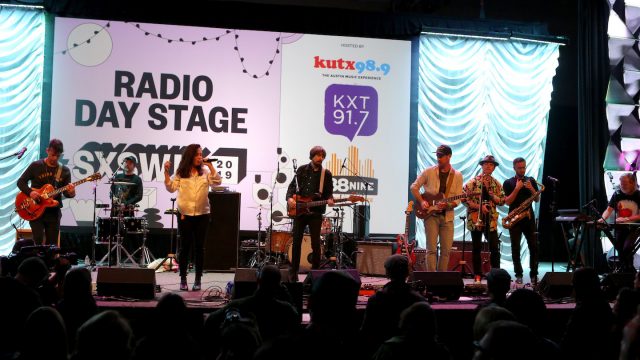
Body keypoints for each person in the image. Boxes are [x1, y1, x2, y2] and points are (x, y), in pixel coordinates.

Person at [164, 144, 221, 291]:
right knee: (185, 248)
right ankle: (183, 279)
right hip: (185, 214)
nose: (200, 157)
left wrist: (211, 166)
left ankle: (198, 279)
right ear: (190, 156)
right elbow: (171, 188)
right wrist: (166, 172)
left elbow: (217, 183)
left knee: (199, 248)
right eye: (197, 155)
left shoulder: (206, 171)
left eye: (201, 154)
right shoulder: (181, 173)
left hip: (202, 214)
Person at [360, 254, 426, 358]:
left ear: (387, 273)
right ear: (407, 273)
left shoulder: (376, 300)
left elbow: (366, 331)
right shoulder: (419, 300)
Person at [410, 144, 463, 272]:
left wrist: (448, 204)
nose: (438, 159)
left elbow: (458, 199)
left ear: (449, 156)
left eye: (441, 156)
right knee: (431, 250)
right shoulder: (428, 172)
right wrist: (422, 201)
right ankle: (431, 280)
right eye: (437, 156)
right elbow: (414, 187)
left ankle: (441, 280)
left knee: (445, 252)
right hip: (430, 216)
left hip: (447, 217)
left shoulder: (457, 175)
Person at [285, 145, 334, 281]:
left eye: (322, 156)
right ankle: (293, 272)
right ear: (312, 156)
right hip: (300, 211)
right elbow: (291, 188)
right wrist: (290, 199)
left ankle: (315, 273)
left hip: (315, 212)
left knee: (316, 244)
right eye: (318, 155)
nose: (321, 158)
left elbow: (329, 192)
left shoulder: (326, 174)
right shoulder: (301, 170)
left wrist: (330, 199)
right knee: (296, 242)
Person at [17, 138, 75, 245]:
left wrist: (71, 192)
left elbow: (67, 193)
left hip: (53, 212)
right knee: (38, 241)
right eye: (53, 155)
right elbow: (20, 182)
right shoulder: (36, 166)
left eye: (58, 156)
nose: (55, 158)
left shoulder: (64, 171)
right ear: (47, 150)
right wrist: (31, 193)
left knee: (52, 245)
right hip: (35, 209)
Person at [463, 155, 505, 282]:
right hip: (476, 219)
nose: (488, 166)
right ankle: (477, 274)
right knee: (476, 248)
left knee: (494, 247)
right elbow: (464, 199)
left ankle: (496, 274)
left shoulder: (497, 184)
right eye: (485, 164)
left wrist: (494, 197)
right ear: (481, 166)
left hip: (490, 220)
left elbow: (503, 200)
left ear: (494, 168)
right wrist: (478, 206)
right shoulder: (472, 182)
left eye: (491, 164)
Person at [503, 157, 540, 285]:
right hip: (515, 218)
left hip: (528, 218)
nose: (522, 170)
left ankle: (534, 275)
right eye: (520, 168)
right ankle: (518, 274)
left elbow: (537, 199)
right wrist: (517, 188)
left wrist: (532, 189)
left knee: (534, 247)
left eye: (524, 167)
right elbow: (507, 201)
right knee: (515, 248)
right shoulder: (508, 182)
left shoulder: (531, 180)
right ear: (514, 168)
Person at [599, 173, 640, 272]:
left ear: (632, 183)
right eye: (621, 183)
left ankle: (629, 271)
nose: (622, 186)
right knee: (620, 249)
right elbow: (608, 210)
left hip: (634, 228)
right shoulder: (617, 194)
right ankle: (625, 271)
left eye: (625, 184)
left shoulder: (638, 195)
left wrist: (626, 219)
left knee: (627, 248)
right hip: (620, 228)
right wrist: (602, 219)